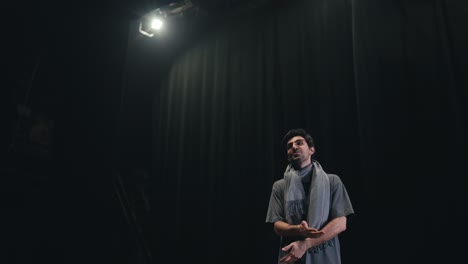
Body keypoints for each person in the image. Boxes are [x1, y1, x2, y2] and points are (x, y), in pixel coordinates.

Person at [265, 128, 355, 263]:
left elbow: (341, 223)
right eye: (290, 146)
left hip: (325, 256)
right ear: (288, 155)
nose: (294, 147)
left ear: (311, 150)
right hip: (291, 256)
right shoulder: (280, 186)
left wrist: (306, 244)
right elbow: (277, 225)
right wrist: (298, 229)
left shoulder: (332, 181)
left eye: (299, 143)